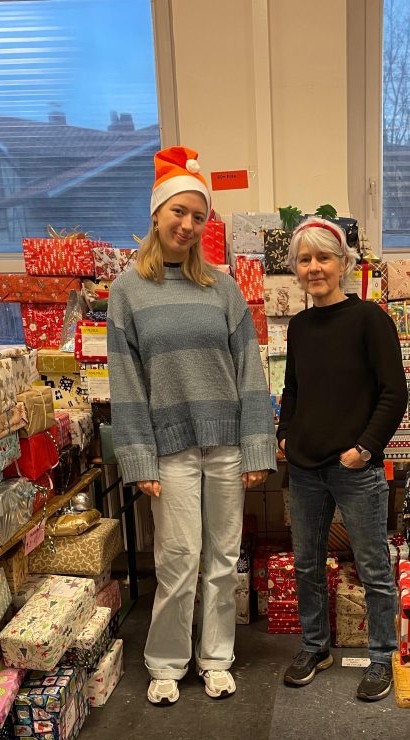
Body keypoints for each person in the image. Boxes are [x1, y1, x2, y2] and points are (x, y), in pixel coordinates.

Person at [108, 146, 277, 706]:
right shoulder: (128, 291)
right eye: (178, 211)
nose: (187, 224)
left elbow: (249, 370)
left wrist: (257, 448)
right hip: (169, 450)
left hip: (226, 444)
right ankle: (166, 662)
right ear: (156, 213)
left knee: (223, 560)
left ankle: (217, 657)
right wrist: (139, 459)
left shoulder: (222, 288)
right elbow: (126, 382)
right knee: (177, 560)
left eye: (198, 216)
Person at [277, 218, 408, 701]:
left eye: (324, 258)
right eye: (305, 259)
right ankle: (315, 647)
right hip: (305, 467)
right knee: (307, 565)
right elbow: (293, 388)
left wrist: (365, 448)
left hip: (356, 468)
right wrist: (285, 434)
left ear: (343, 263)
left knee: (373, 567)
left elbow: (394, 393)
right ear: (296, 269)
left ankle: (382, 656)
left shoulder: (370, 319)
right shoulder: (299, 326)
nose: (315, 267)